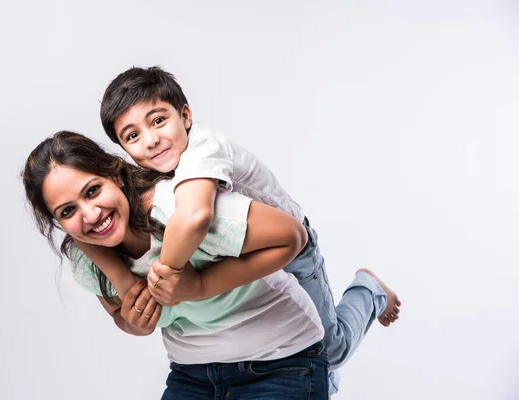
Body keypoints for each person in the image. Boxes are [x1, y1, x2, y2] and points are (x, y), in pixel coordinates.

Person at [79, 66, 402, 394]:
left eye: (158, 120)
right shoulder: (157, 170)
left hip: (292, 248)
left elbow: (194, 216)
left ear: (186, 115)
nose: (150, 140)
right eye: (132, 136)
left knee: (331, 348)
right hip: (241, 249)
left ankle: (368, 290)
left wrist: (173, 278)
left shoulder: (201, 150)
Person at [22, 131, 330, 399]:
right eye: (67, 211)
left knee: (338, 342)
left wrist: (199, 286)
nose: (90, 215)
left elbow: (291, 237)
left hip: (280, 362)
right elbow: (121, 317)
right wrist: (134, 321)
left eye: (92, 191)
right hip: (192, 375)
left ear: (114, 174)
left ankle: (367, 292)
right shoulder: (87, 257)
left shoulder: (178, 210)